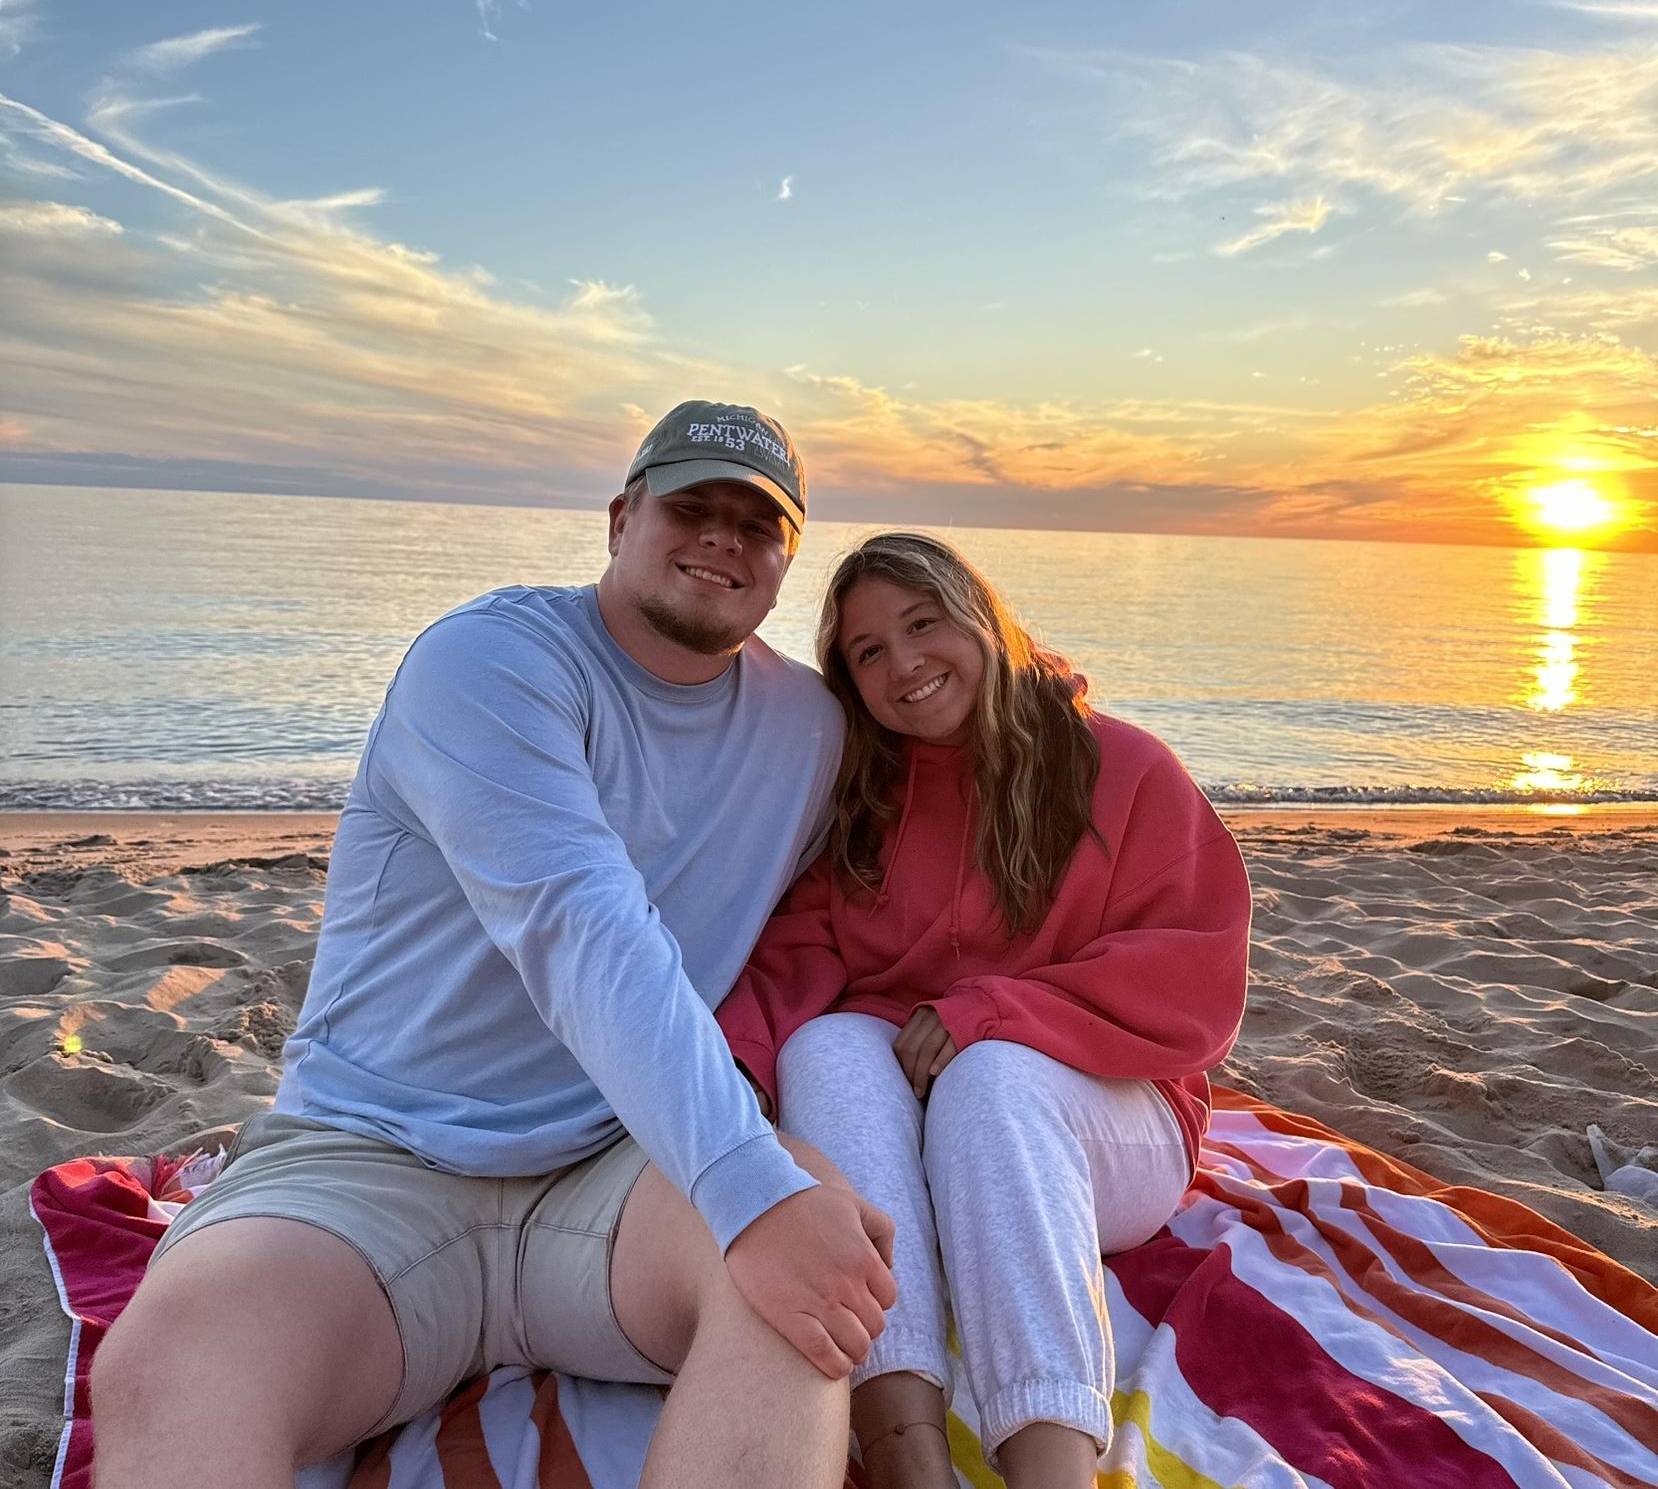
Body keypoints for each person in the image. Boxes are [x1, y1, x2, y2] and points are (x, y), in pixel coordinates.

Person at [93, 402, 898, 1489]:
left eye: (757, 524)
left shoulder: (811, 729)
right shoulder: (489, 659)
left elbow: (952, 813)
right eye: (690, 506)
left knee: (805, 1291)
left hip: (619, 1164)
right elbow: (576, 920)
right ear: (621, 518)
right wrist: (748, 1184)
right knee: (174, 1368)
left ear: (786, 560)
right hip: (373, 1158)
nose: (722, 537)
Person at [717, 531, 1251, 1489]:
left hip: (1108, 1117)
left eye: (923, 624)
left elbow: (1194, 976)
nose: (904, 664)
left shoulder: (1120, 767)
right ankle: (903, 1447)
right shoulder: (865, 798)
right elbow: (798, 952)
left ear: (981, 620)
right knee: (828, 1045)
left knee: (992, 1078)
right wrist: (733, 1068)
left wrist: (992, 1011)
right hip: (920, 1119)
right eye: (869, 651)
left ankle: (1052, 1465)